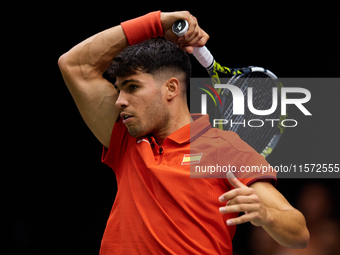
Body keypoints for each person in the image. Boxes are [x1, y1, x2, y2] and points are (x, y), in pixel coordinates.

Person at [58, 10, 309, 254]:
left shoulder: (225, 149)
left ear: (171, 88)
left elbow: (299, 233)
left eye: (132, 87)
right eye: (119, 89)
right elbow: (74, 64)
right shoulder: (127, 139)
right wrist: (157, 23)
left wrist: (265, 215)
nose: (119, 101)